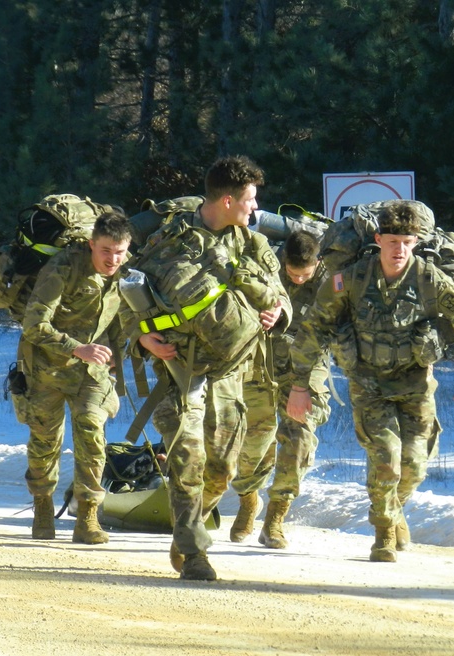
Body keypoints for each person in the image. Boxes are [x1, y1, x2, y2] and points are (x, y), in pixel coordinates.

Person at [287, 203, 454, 562]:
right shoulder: (350, 279)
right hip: (369, 384)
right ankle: (383, 532)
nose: (399, 249)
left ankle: (395, 511)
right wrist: (301, 385)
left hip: (415, 383)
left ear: (415, 243)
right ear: (379, 239)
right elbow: (314, 328)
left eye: (407, 242)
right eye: (393, 241)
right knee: (387, 460)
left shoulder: (429, 278)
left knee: (415, 467)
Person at [132, 155, 290, 581]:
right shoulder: (169, 242)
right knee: (187, 461)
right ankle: (194, 553)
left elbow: (280, 294)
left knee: (220, 471)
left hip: (229, 374)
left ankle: (187, 529)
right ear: (226, 200)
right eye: (250, 200)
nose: (255, 208)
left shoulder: (252, 244)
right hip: (179, 373)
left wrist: (280, 314)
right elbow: (124, 297)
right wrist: (141, 337)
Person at [19, 210, 133, 544]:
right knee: (44, 443)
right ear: (91, 245)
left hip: (93, 369)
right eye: (106, 251)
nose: (113, 259)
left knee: (91, 434)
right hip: (47, 368)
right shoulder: (63, 269)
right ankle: (42, 507)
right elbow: (34, 325)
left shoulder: (125, 273)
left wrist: (117, 355)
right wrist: (75, 348)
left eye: (120, 252)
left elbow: (119, 318)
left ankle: (87, 517)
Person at [223, 229, 332, 548]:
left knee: (299, 438)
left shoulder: (331, 283)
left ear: (318, 262)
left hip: (307, 364)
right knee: (251, 439)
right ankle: (247, 499)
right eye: (292, 273)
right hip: (261, 358)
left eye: (305, 274)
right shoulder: (265, 269)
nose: (298, 280)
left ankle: (275, 519)